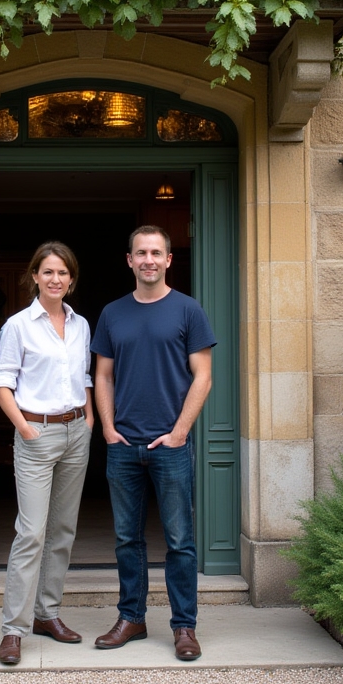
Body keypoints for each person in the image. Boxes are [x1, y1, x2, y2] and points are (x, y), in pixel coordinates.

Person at [90, 225, 215, 661]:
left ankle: (184, 627)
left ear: (168, 259)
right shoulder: (112, 313)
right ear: (129, 260)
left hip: (171, 445)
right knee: (128, 539)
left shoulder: (187, 310)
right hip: (123, 443)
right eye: (140, 252)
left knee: (179, 540)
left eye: (155, 252)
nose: (148, 259)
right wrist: (107, 428)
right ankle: (132, 618)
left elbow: (204, 375)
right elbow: (102, 375)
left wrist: (180, 432)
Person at [0, 240, 94, 666]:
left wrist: (88, 418)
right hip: (37, 433)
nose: (55, 279)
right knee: (31, 532)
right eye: (47, 272)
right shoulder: (18, 325)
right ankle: (13, 629)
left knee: (63, 530)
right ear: (34, 276)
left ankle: (47, 614)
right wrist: (23, 429)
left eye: (63, 273)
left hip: (76, 431)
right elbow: (2, 381)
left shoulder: (81, 323)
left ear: (71, 280)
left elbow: (84, 372)